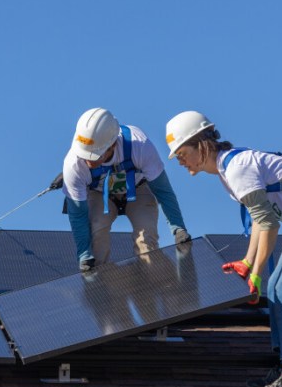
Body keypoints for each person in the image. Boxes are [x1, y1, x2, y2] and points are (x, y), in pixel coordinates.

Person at [165, 111, 282, 387]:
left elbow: (268, 224)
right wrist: (248, 263)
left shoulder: (236, 168)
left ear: (201, 145)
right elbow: (258, 223)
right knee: (277, 287)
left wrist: (255, 272)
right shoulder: (229, 170)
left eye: (181, 152)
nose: (179, 160)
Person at [62, 108, 190, 271]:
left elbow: (163, 191)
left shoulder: (140, 146)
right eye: (85, 155)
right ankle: (101, 289)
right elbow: (78, 214)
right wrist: (84, 254)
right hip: (100, 194)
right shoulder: (73, 164)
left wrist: (178, 228)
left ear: (113, 144)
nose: (87, 160)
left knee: (146, 239)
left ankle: (151, 287)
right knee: (97, 231)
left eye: (94, 155)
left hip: (138, 189)